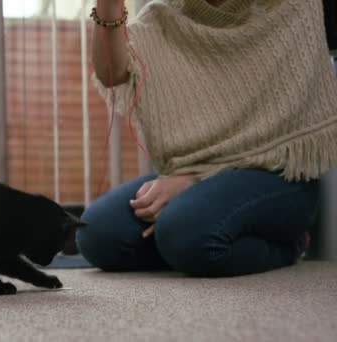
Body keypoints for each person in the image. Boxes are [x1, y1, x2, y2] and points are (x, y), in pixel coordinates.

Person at [76, 0, 337, 277]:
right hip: (188, 177)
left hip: (277, 176)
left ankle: (289, 247)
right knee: (97, 235)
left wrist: (194, 182)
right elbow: (112, 73)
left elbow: (286, 121)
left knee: (184, 231)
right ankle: (188, 238)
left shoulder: (291, 6)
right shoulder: (165, 16)